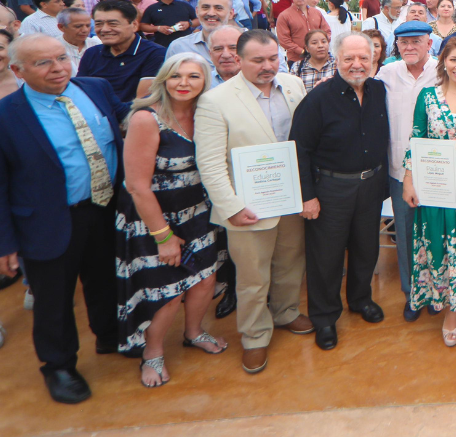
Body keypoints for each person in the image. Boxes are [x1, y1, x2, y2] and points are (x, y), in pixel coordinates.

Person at [0, 34, 126, 404]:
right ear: (18, 70)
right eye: (43, 63)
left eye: (61, 58)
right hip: (48, 222)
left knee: (105, 280)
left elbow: (126, 116)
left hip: (105, 209)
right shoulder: (2, 118)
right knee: (54, 300)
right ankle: (59, 366)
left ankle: (110, 336)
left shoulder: (95, 88)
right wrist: (0, 244)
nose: (58, 69)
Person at [194, 30, 312, 375]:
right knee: (252, 276)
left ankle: (286, 312)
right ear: (238, 59)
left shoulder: (293, 86)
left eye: (273, 58)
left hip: (290, 197)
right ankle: (255, 335)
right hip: (248, 206)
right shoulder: (215, 101)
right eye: (258, 60)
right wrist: (231, 207)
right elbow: (210, 163)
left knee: (291, 262)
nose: (267, 66)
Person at [116, 54, 228, 386]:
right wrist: (163, 236)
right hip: (153, 218)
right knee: (167, 290)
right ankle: (152, 353)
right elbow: (137, 186)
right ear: (163, 80)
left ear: (205, 82)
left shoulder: (205, 114)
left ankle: (193, 332)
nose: (183, 83)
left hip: (197, 213)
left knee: (205, 279)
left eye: (194, 76)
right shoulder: (146, 119)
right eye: (176, 76)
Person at [289, 33, 388, 350]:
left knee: (366, 248)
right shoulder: (317, 99)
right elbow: (299, 150)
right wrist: (307, 196)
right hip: (330, 189)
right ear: (337, 60)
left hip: (370, 185)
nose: (357, 64)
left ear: (373, 59)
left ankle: (360, 300)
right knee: (326, 257)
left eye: (363, 58)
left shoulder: (378, 90)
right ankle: (324, 318)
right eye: (349, 58)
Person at [374, 20, 439, 321]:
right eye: (404, 42)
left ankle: (437, 291)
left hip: (437, 170)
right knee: (405, 234)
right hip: (399, 171)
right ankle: (412, 294)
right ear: (397, 45)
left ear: (429, 43)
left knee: (437, 232)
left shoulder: (443, 71)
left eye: (416, 41)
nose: (409, 47)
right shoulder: (387, 73)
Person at [79, 0, 166, 103]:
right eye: (99, 24)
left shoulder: (154, 54)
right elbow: (80, 92)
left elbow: (143, 101)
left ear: (134, 25)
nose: (104, 29)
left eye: (113, 24)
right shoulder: (92, 53)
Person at [165, 0, 234, 63]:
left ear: (231, 14)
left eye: (218, 8)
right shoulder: (179, 47)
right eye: (205, 7)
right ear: (197, 11)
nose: (211, 13)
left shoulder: (242, 45)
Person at [275, 0, 329, 64]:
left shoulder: (317, 13)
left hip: (319, 59)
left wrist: (321, 46)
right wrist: (302, 51)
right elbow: (284, 40)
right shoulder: (284, 16)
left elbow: (327, 32)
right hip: (297, 60)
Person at [56, 8, 98, 76]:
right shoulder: (52, 48)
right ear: (61, 27)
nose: (85, 30)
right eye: (78, 26)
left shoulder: (97, 45)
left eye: (88, 26)